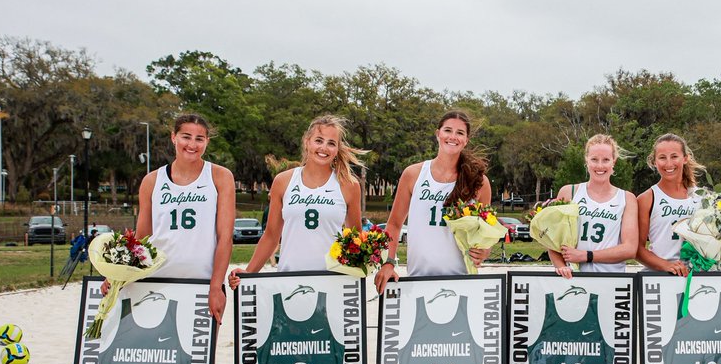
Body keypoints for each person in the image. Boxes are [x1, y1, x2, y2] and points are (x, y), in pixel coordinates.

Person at [229, 115, 363, 285]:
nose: (324, 147)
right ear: (307, 142)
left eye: (331, 143)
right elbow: (271, 236)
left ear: (337, 149)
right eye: (319, 140)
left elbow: (354, 239)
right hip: (289, 278)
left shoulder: (349, 185)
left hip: (332, 281)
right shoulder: (283, 181)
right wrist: (249, 272)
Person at [374, 110, 493, 293]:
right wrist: (388, 262)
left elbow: (487, 232)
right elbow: (395, 224)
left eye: (460, 133)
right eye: (448, 130)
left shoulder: (479, 182)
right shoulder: (413, 174)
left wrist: (485, 250)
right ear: (438, 134)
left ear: (466, 140)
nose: (453, 137)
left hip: (462, 280)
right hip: (418, 279)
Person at [135, 113, 236, 322]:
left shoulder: (220, 176)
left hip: (203, 281)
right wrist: (118, 276)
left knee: (202, 345)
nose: (192, 144)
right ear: (174, 137)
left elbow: (225, 238)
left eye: (199, 139)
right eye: (186, 137)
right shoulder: (152, 180)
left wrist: (215, 287)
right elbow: (142, 238)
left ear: (207, 141)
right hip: (156, 280)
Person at [549, 134, 638, 279]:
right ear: (586, 160)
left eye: (606, 160)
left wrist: (586, 256)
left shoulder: (627, 198)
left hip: (612, 280)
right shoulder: (569, 192)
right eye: (594, 159)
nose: (600, 166)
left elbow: (630, 249)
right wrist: (561, 266)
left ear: (614, 162)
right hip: (574, 278)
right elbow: (552, 240)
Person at [636, 134, 705, 276]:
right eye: (662, 157)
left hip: (696, 275)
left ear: (685, 158)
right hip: (660, 276)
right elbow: (637, 249)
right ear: (654, 161)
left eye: (674, 156)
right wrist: (666, 265)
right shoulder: (646, 198)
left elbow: (712, 241)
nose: (668, 163)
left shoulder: (702, 197)